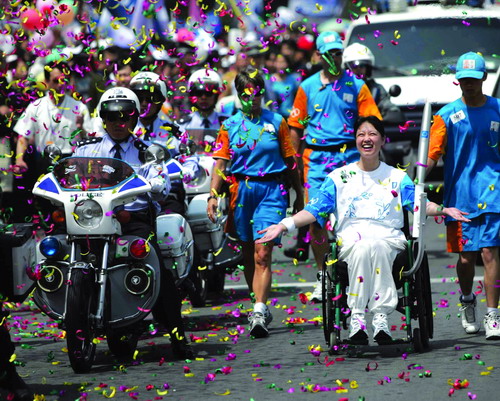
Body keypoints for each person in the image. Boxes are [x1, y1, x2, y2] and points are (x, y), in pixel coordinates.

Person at [257, 115, 470, 344]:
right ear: (355, 140)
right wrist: (284, 225)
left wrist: (443, 210)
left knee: (375, 245)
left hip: (388, 239)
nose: (366, 139)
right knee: (361, 246)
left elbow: (419, 205)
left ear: (382, 140)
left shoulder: (397, 177)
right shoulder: (338, 178)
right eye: (361, 134)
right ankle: (358, 318)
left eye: (372, 134)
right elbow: (313, 210)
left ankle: (380, 318)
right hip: (351, 240)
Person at [73, 87, 194, 358]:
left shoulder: (147, 152)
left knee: (158, 269)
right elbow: (69, 175)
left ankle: (177, 335)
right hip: (94, 219)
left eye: (126, 116)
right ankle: (75, 313)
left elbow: (161, 185)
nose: (119, 122)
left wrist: (158, 182)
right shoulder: (87, 149)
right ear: (103, 118)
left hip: (133, 221)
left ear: (135, 118)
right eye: (112, 116)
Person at [207, 66, 303, 338]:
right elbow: (221, 164)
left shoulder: (277, 122)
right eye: (247, 94)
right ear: (240, 95)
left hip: (272, 190)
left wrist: (299, 196)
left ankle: (259, 310)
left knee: (263, 252)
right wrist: (213, 196)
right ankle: (257, 304)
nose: (253, 99)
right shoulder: (229, 126)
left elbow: (290, 161)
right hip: (241, 191)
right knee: (249, 253)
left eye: (258, 94)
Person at [287, 31, 382, 302]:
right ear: (319, 55)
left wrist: (371, 155)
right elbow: (295, 128)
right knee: (316, 219)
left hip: (349, 157)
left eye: (338, 53)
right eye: (329, 53)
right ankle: (322, 275)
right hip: (316, 159)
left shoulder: (357, 85)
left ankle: (356, 271)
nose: (334, 58)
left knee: (353, 216)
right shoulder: (307, 87)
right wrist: (293, 162)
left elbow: (372, 123)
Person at [427, 51, 500, 340]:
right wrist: (409, 181)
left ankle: (493, 314)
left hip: (493, 192)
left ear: (483, 78)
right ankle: (468, 300)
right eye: (463, 80)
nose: (469, 84)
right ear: (458, 82)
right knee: (467, 258)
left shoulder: (497, 109)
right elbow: (431, 156)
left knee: (490, 253)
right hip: (460, 197)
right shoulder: (445, 116)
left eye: (473, 79)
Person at [130, 71, 200, 215]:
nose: (144, 104)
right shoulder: (123, 131)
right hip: (132, 198)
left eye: (150, 99)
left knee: (171, 226)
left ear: (161, 101)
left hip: (168, 196)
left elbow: (190, 157)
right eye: (139, 98)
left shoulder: (175, 131)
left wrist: (188, 169)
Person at [343, 43, 403, 123]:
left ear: (368, 69)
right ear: (347, 69)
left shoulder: (375, 89)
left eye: (362, 66)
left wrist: (376, 123)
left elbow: (391, 109)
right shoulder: (340, 89)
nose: (358, 70)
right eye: (354, 66)